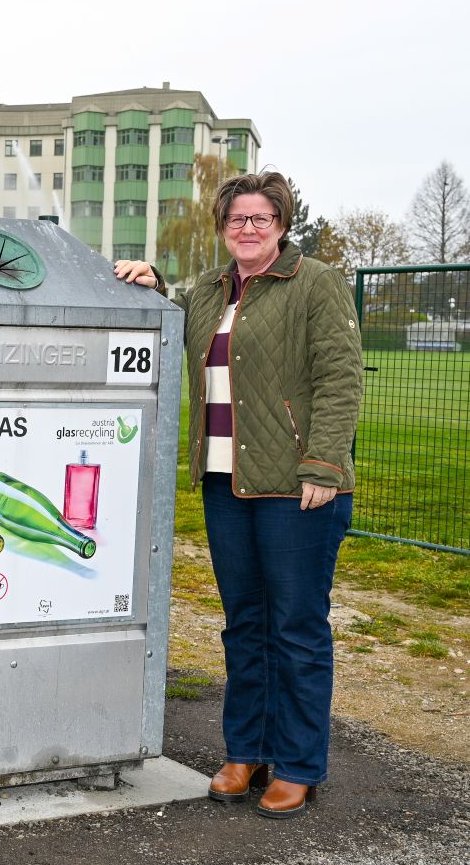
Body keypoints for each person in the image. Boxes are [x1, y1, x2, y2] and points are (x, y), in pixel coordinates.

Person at [113, 171, 361, 820]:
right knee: (244, 626)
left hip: (297, 487)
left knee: (296, 629)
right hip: (227, 484)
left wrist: (323, 464)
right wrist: (153, 281)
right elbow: (177, 319)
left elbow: (340, 377)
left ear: (281, 224)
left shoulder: (315, 284)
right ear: (222, 227)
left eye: (260, 218)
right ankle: (245, 752)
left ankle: (299, 764)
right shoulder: (212, 291)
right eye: (236, 219)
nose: (247, 228)